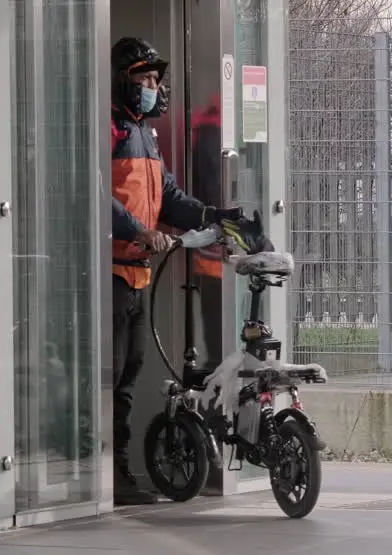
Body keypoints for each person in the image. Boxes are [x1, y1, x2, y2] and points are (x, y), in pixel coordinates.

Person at [109, 37, 240, 505]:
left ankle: (118, 474)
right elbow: (89, 189)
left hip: (137, 274)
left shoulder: (146, 134)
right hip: (111, 272)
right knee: (110, 378)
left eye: (154, 79)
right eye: (142, 78)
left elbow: (168, 197)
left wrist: (215, 218)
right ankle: (108, 476)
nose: (151, 86)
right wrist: (137, 231)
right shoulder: (111, 128)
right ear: (123, 79)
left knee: (128, 377)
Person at [190, 97, 226, 369]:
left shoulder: (206, 127)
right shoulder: (213, 131)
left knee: (215, 319)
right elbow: (212, 189)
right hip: (215, 247)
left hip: (212, 248)